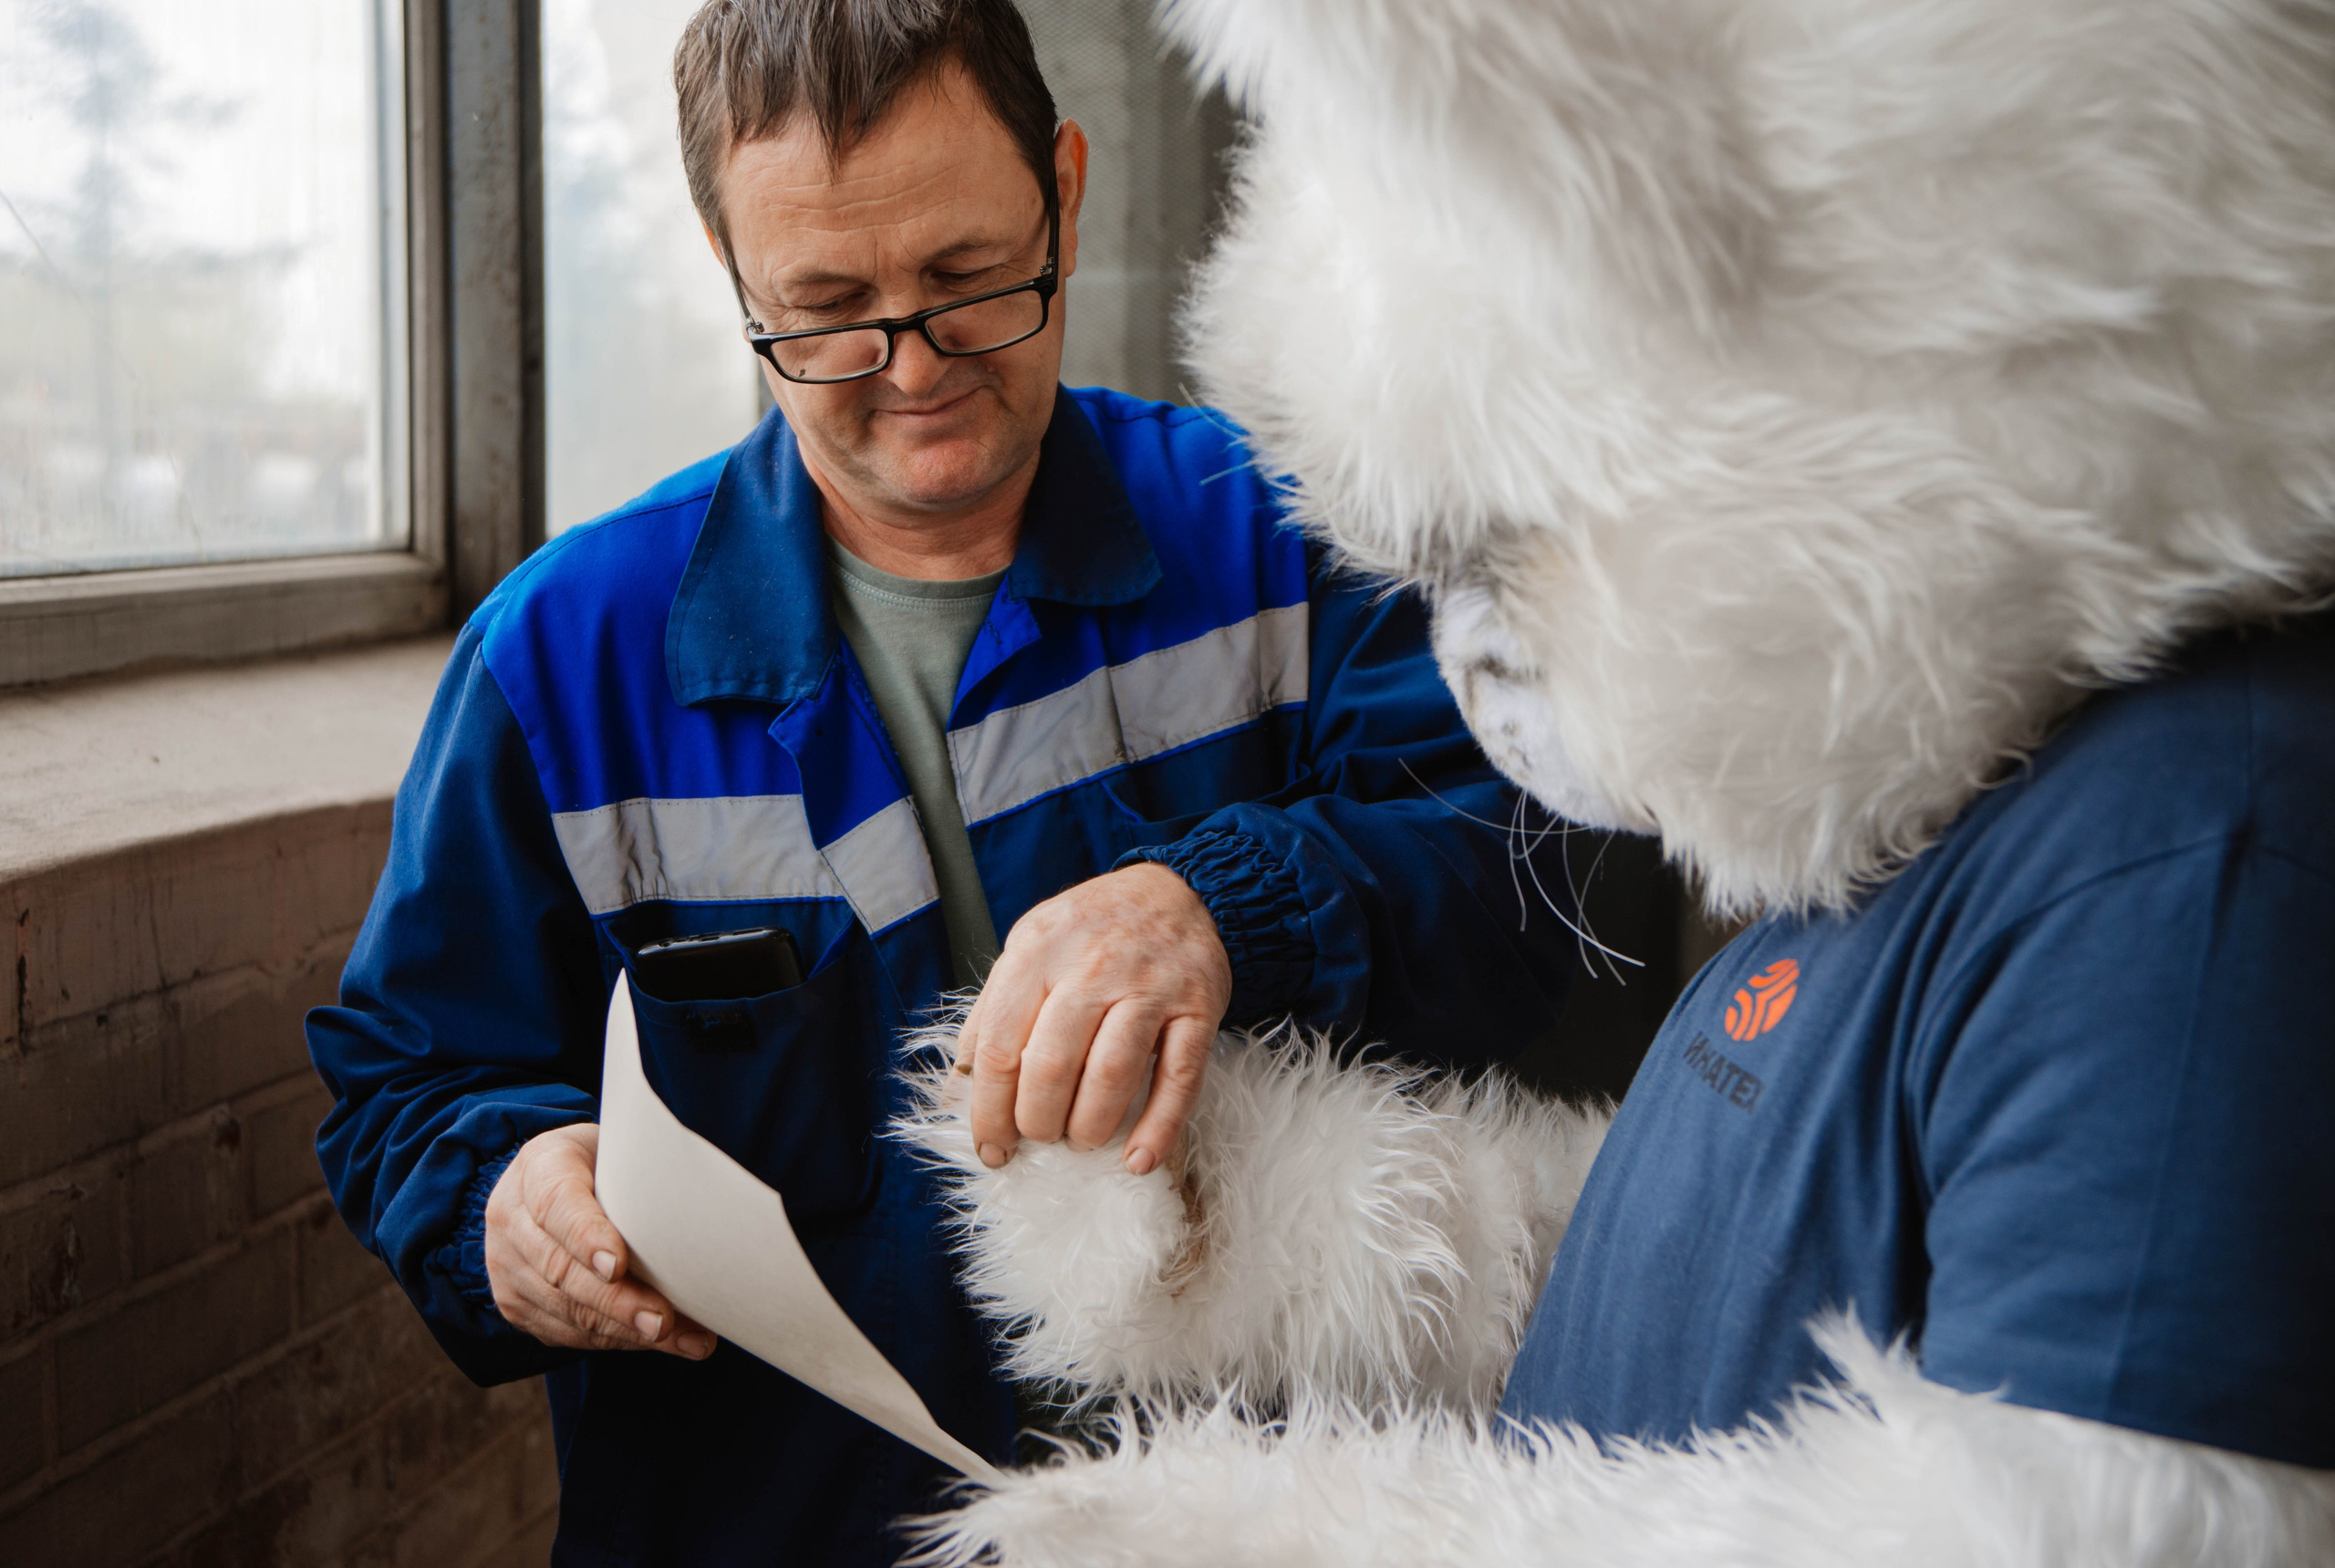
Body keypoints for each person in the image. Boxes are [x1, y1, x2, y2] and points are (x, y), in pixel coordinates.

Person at [902, 0, 2335, 1561]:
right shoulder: (1924, 772)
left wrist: (1268, 1536)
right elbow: (1729, 1265)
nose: (1473, 666)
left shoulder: (2187, 866)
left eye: (1512, 544)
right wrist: (1265, 1224)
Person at [306, 2, 1574, 1563]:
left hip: (1279, 1515)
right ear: (729, 266)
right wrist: (501, 1198)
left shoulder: (1283, 530)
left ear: (1068, 187)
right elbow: (409, 1079)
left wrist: (1225, 906)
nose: (911, 372)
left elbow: (1538, 873)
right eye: (825, 310)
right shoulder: (559, 663)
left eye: (971, 282)